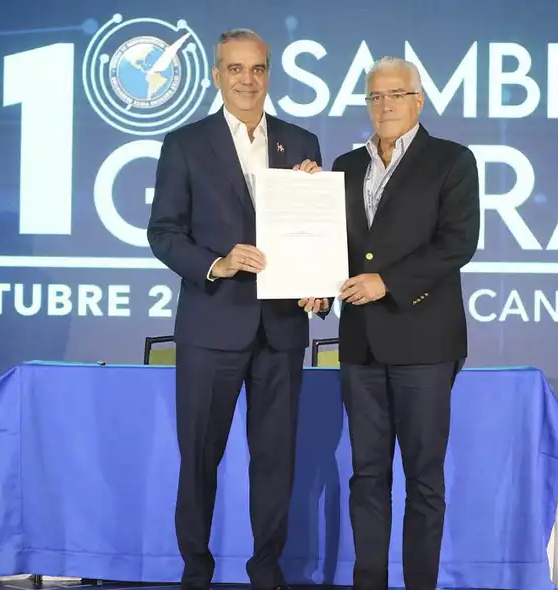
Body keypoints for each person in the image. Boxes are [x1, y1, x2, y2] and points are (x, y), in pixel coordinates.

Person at [146, 29, 329, 590]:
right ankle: (195, 571)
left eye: (257, 69)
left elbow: (315, 233)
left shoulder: (302, 143)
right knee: (199, 460)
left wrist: (317, 283)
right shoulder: (184, 144)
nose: (247, 79)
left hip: (280, 329)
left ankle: (265, 572)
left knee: (275, 463)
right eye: (235, 69)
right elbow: (164, 233)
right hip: (211, 325)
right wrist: (217, 264)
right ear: (216, 75)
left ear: (268, 74)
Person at [331, 56, 480, 590]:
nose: (385, 105)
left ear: (419, 100)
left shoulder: (452, 161)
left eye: (396, 94)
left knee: (423, 481)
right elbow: (331, 247)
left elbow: (457, 243)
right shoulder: (344, 166)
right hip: (360, 346)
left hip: (424, 342)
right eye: (375, 97)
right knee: (366, 477)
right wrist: (315, 281)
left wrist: (386, 282)